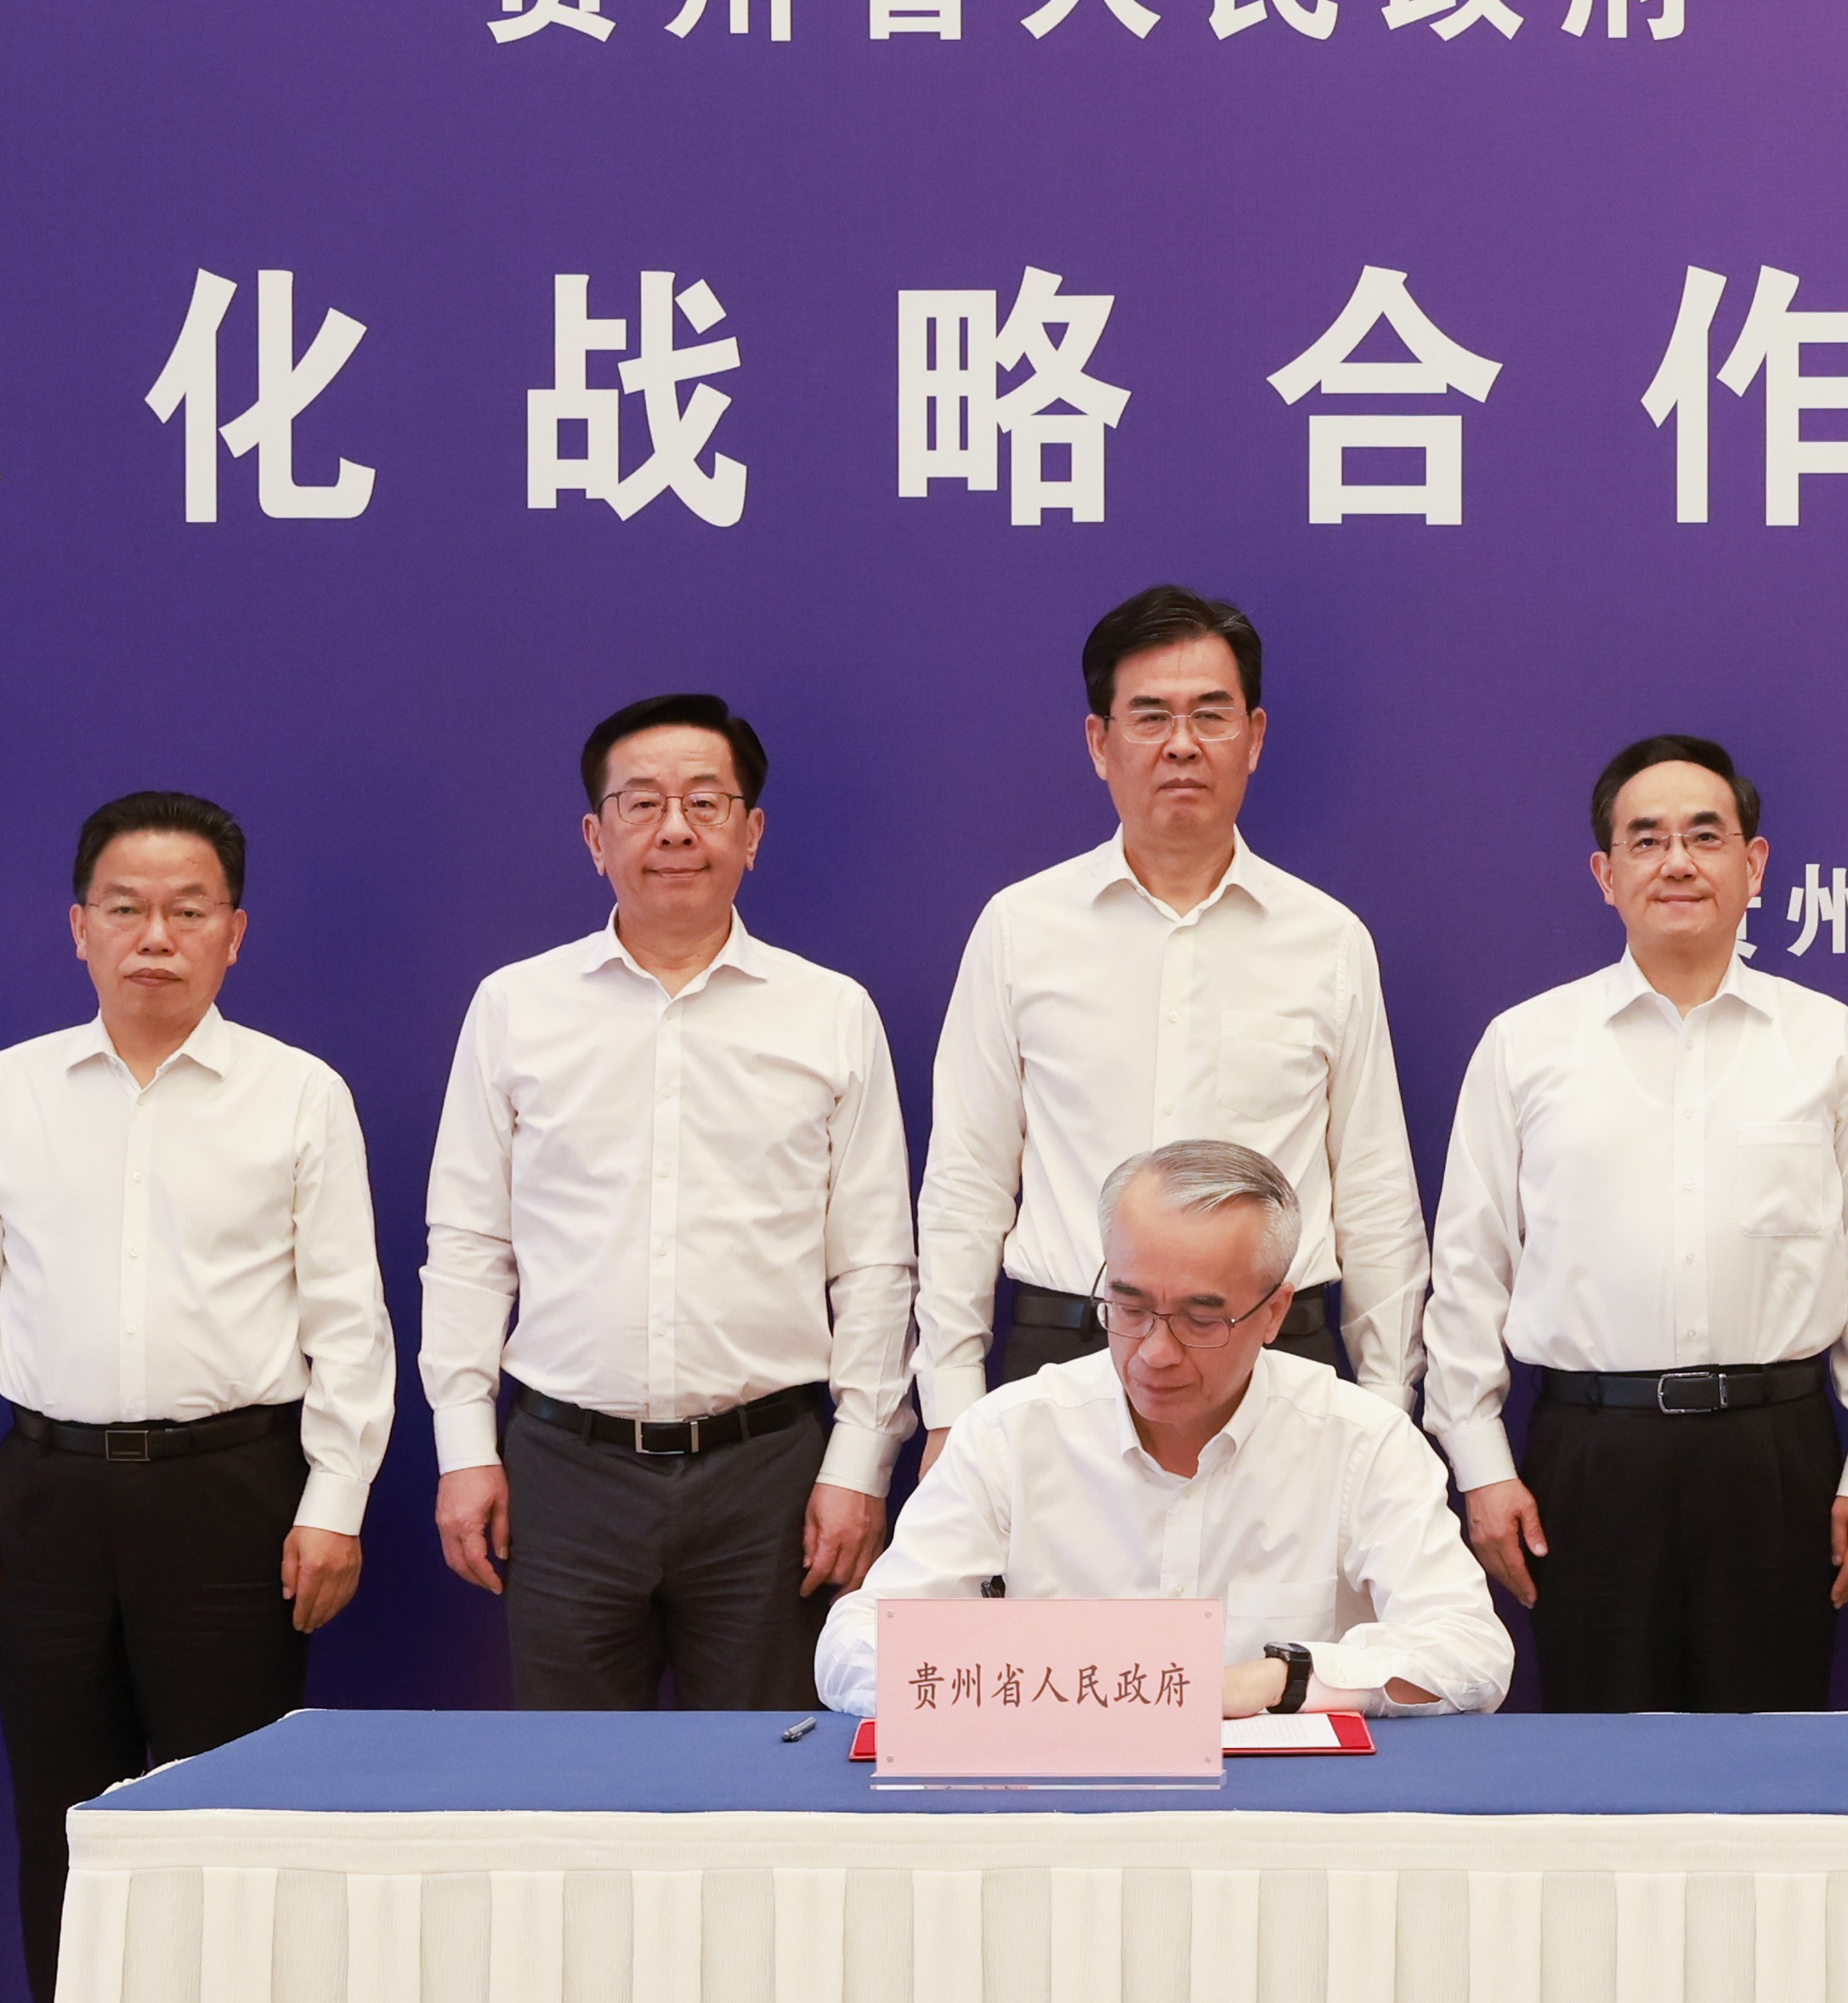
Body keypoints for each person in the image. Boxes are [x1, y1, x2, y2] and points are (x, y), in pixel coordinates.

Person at [0, 791, 390, 2003]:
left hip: (236, 1498)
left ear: (235, 931)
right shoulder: (5, 1094)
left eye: (188, 908)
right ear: (78, 927)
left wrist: (335, 1498)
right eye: (125, 906)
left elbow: (349, 1320)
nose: (155, 935)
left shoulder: (297, 1094)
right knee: (70, 1841)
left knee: (231, 1847)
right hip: (47, 1496)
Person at [424, 695, 913, 1712]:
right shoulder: (516, 1006)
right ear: (595, 836)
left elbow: (874, 1261)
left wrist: (860, 1460)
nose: (676, 830)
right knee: (570, 1781)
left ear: (752, 831)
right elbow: (469, 1243)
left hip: (770, 1474)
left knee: (766, 1778)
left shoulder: (830, 1012)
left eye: (705, 801)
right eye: (642, 804)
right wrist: (464, 1446)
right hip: (565, 1470)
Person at [1421, 736, 1848, 1711]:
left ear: (1754, 863)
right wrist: (1480, 1466)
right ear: (1605, 874)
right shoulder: (1526, 1045)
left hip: (1774, 1455)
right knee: (1603, 1765)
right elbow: (1469, 1272)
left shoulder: (1825, 1040)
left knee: (1772, 1762)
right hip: (1590, 1459)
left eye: (1706, 835)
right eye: (1646, 840)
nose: (1678, 862)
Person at [914, 586, 1426, 1447]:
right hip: (1066, 1359)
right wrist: (950, 1408)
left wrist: (1384, 1410)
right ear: (1099, 742)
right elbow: (967, 1177)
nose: (1181, 743)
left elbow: (1375, 1191)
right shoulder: (1019, 928)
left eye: (1210, 715)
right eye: (1150, 716)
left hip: (1280, 1365)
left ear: (1253, 737)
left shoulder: (1329, 938)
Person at [818, 1143, 1506, 1722]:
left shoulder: (1362, 1441)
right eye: (1129, 1306)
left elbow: (1472, 1653)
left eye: (1201, 1320)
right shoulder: (1009, 1432)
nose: (1154, 1352)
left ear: (1273, 1313)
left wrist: (1274, 1679)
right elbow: (852, 1646)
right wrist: (1036, 1684)